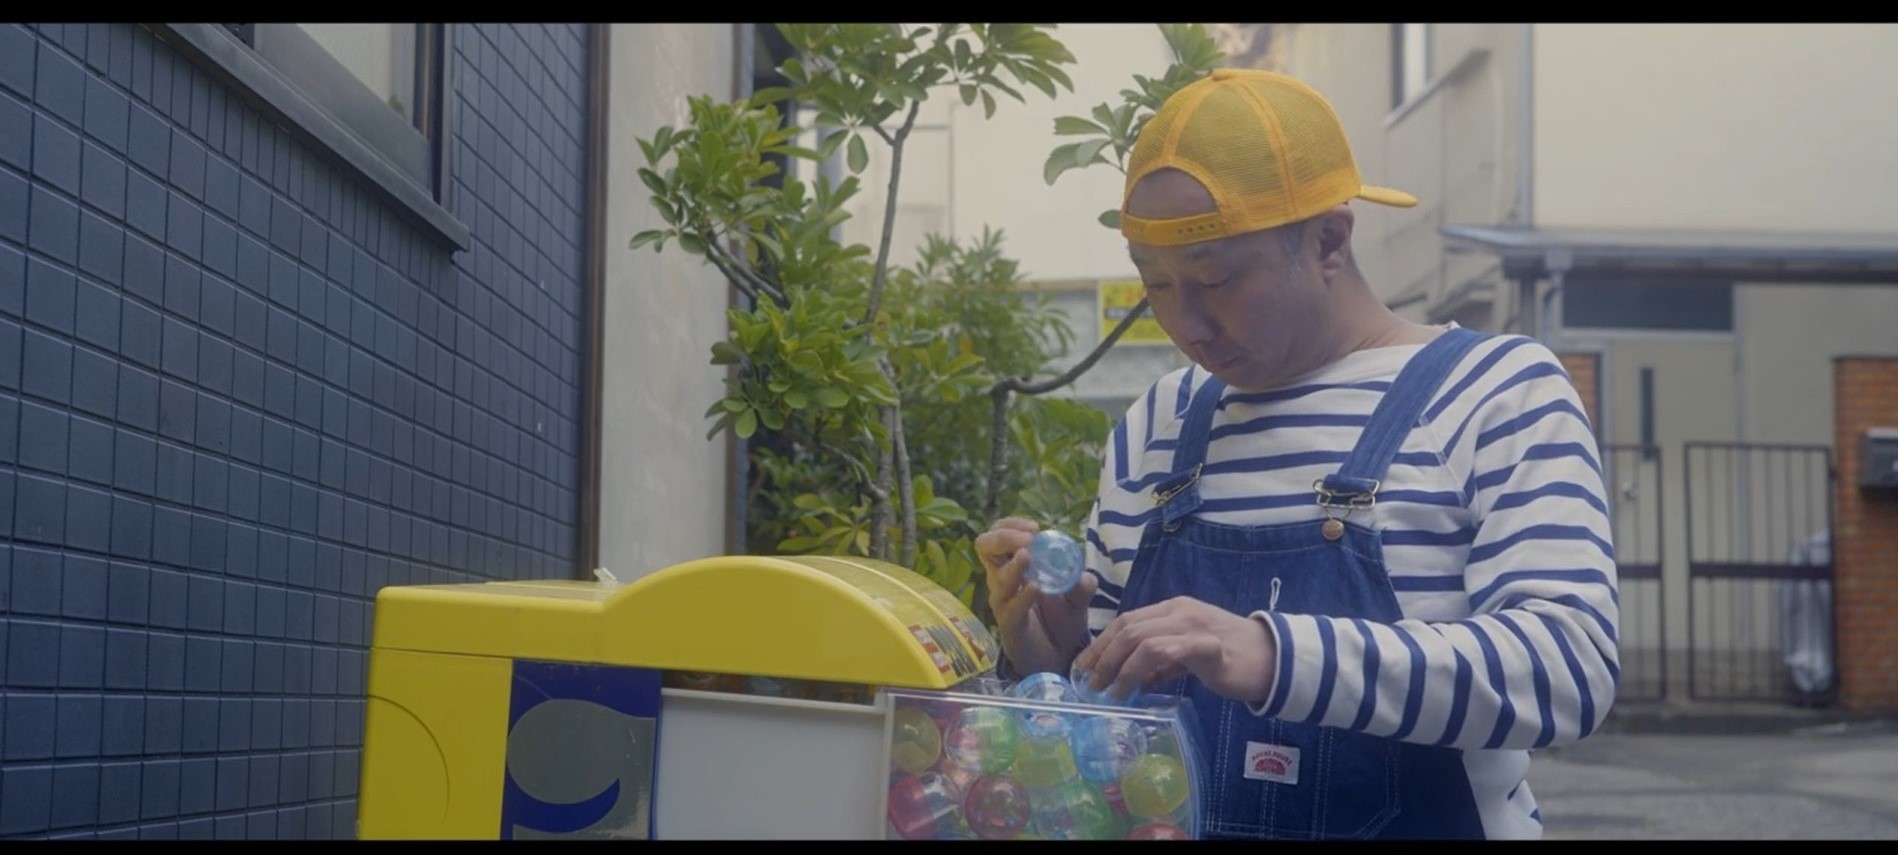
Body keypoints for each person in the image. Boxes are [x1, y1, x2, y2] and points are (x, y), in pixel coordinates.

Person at [975, 68, 1618, 840]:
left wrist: (1271, 653)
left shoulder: (1495, 390)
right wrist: (1053, 657)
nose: (1186, 323)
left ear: (1328, 241)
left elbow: (1568, 671)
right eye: (1156, 285)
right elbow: (1115, 733)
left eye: (1214, 278)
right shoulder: (1159, 421)